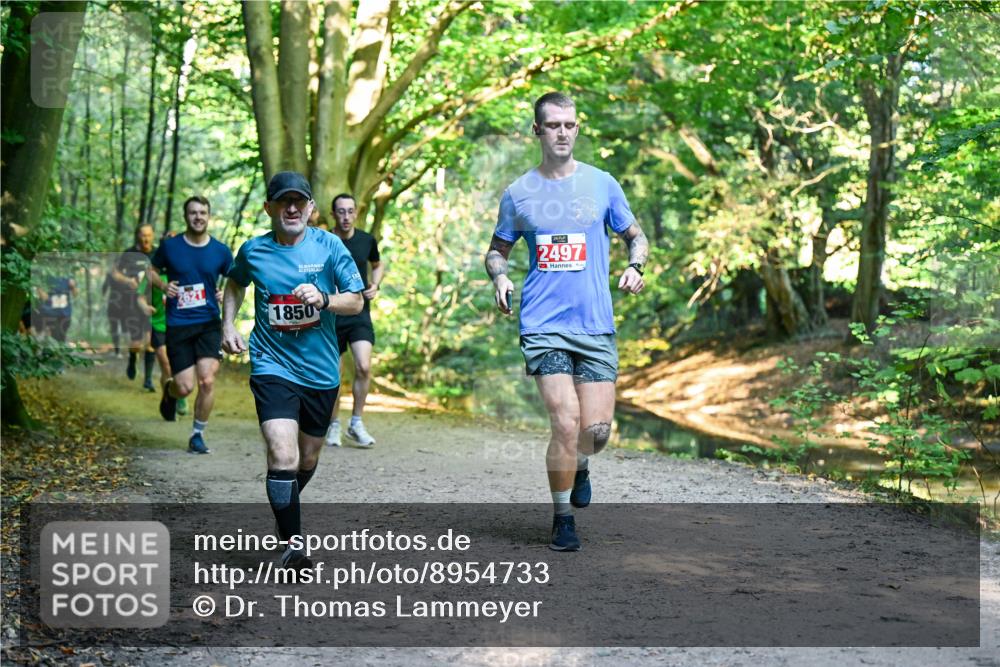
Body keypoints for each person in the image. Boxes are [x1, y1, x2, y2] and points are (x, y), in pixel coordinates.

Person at [484, 92, 648, 552]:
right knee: (565, 420)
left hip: (595, 323)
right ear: (537, 130)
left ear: (578, 128)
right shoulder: (519, 193)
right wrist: (500, 276)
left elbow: (636, 236)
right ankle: (562, 519)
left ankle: (583, 463)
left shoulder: (602, 184)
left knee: (595, 433)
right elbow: (497, 251)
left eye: (569, 124)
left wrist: (636, 266)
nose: (562, 132)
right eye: (553, 125)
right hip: (543, 323)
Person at [222, 171, 363, 569]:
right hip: (272, 365)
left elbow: (356, 302)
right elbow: (235, 283)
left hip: (320, 371)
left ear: (311, 208)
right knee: (282, 453)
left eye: (299, 201)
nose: (292, 208)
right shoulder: (254, 250)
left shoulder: (330, 246)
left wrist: (324, 298)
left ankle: (285, 506)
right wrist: (227, 324)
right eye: (283, 201)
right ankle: (293, 546)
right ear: (269, 208)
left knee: (306, 460)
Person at [150, 196, 233, 454]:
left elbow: (235, 281)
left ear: (209, 216)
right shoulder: (170, 247)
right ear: (186, 216)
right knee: (184, 387)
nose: (198, 217)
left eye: (202, 212)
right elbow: (150, 270)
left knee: (206, 381)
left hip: (208, 323)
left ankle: (197, 434)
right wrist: (163, 285)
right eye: (193, 213)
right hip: (178, 324)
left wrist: (226, 293)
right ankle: (170, 391)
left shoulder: (220, 251)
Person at [324, 193, 385, 448]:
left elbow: (378, 265)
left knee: (363, 366)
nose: (346, 217)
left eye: (350, 211)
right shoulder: (323, 241)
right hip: (331, 315)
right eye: (341, 211)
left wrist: (375, 284)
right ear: (333, 214)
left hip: (359, 312)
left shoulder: (366, 240)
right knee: (334, 375)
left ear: (356, 213)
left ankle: (356, 423)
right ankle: (333, 425)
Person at [136, 231, 188, 415]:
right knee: (166, 364)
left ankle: (174, 392)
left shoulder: (186, 269)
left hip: (181, 325)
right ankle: (176, 397)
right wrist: (145, 307)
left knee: (179, 365)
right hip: (158, 324)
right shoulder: (152, 272)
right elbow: (140, 295)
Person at [110, 224, 156, 386]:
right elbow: (114, 273)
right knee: (136, 341)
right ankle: (132, 359)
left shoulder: (158, 253)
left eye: (149, 235)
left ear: (153, 236)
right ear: (138, 236)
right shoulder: (129, 253)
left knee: (150, 341)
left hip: (152, 301)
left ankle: (148, 379)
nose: (146, 239)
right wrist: (128, 280)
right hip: (131, 302)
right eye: (143, 235)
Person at [33, 275, 78, 342]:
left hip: (65, 314)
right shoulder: (46, 274)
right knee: (55, 338)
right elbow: (43, 296)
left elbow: (75, 294)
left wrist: (73, 286)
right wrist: (41, 291)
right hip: (49, 314)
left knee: (61, 339)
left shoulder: (67, 275)